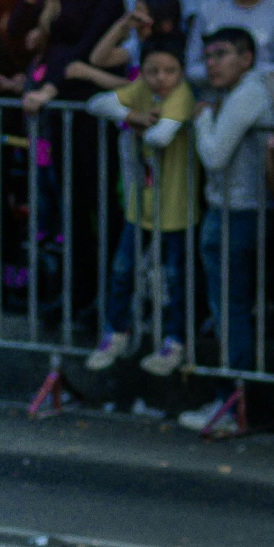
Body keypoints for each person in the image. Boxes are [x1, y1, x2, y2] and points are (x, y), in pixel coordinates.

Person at [11, 0, 126, 313]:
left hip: (86, 110)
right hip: (56, 113)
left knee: (98, 205)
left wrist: (51, 90)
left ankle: (105, 296)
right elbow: (19, 37)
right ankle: (75, 293)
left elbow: (88, 50)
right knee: (68, 207)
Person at [178, 27, 274, 433]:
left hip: (238, 212)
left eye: (222, 54)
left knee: (231, 311)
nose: (212, 63)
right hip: (231, 210)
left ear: (247, 58)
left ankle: (232, 404)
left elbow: (216, 155)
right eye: (208, 55)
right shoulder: (242, 93)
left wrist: (201, 120)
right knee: (230, 310)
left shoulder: (248, 94)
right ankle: (232, 401)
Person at [83, 33, 197, 376]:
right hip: (140, 207)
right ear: (142, 72)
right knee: (122, 271)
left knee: (175, 279)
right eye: (153, 71)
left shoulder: (181, 94)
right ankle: (116, 333)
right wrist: (130, 115)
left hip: (178, 209)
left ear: (180, 72)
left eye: (169, 70)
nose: (161, 78)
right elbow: (96, 104)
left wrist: (135, 121)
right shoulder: (144, 93)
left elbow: (162, 135)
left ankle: (175, 342)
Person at [83, 0, 183, 87]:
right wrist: (123, 25)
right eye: (135, 17)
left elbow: (137, 87)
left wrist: (89, 74)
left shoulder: (170, 50)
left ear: (165, 24)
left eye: (141, 20)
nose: (136, 25)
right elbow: (98, 59)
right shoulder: (137, 45)